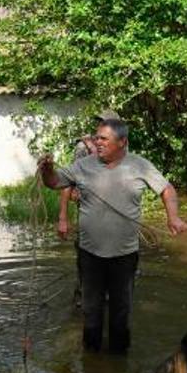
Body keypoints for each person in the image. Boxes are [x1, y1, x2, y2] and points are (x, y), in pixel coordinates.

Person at [39, 118, 187, 353]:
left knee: (120, 315)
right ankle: (92, 364)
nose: (97, 142)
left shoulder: (139, 166)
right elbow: (55, 182)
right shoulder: (83, 165)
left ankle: (119, 366)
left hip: (124, 256)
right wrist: (47, 170)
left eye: (103, 139)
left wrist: (173, 217)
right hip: (90, 255)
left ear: (122, 142)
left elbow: (167, 189)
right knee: (91, 314)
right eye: (97, 137)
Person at [59, 109, 123, 306]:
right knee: (87, 254)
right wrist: (63, 217)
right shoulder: (84, 147)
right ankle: (83, 296)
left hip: (113, 210)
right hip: (89, 209)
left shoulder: (120, 147)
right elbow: (69, 180)